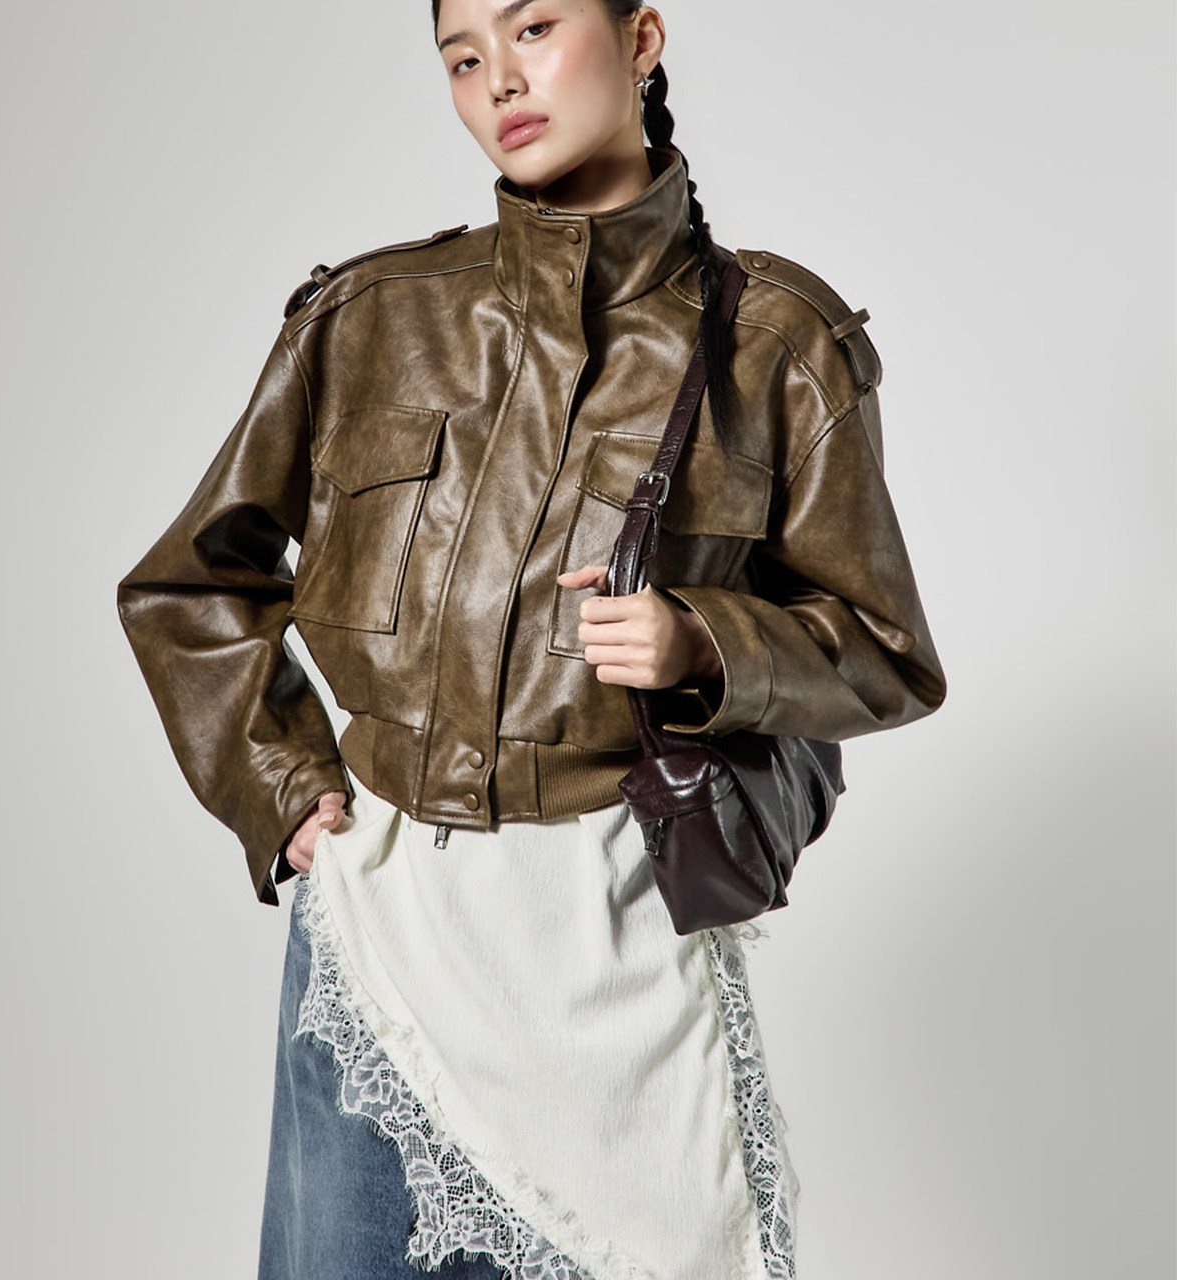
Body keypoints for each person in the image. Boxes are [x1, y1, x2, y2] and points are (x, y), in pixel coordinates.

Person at [117, 1, 947, 1276]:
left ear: (641, 38)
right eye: (462, 57)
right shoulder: (368, 316)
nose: (498, 79)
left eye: (535, 27)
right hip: (385, 932)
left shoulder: (777, 343)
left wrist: (700, 640)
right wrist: (281, 789)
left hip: (615, 938)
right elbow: (190, 581)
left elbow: (884, 649)